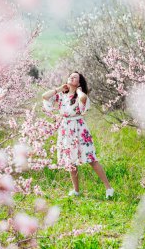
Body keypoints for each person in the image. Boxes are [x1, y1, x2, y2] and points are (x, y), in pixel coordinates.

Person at [42, 71, 114, 199]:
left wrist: (78, 90)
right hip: (66, 129)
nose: (71, 77)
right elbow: (44, 96)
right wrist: (59, 88)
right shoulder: (61, 96)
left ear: (79, 82)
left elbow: (83, 99)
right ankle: (76, 190)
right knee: (71, 161)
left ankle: (109, 188)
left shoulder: (79, 95)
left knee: (91, 158)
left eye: (75, 77)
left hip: (79, 128)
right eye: (70, 76)